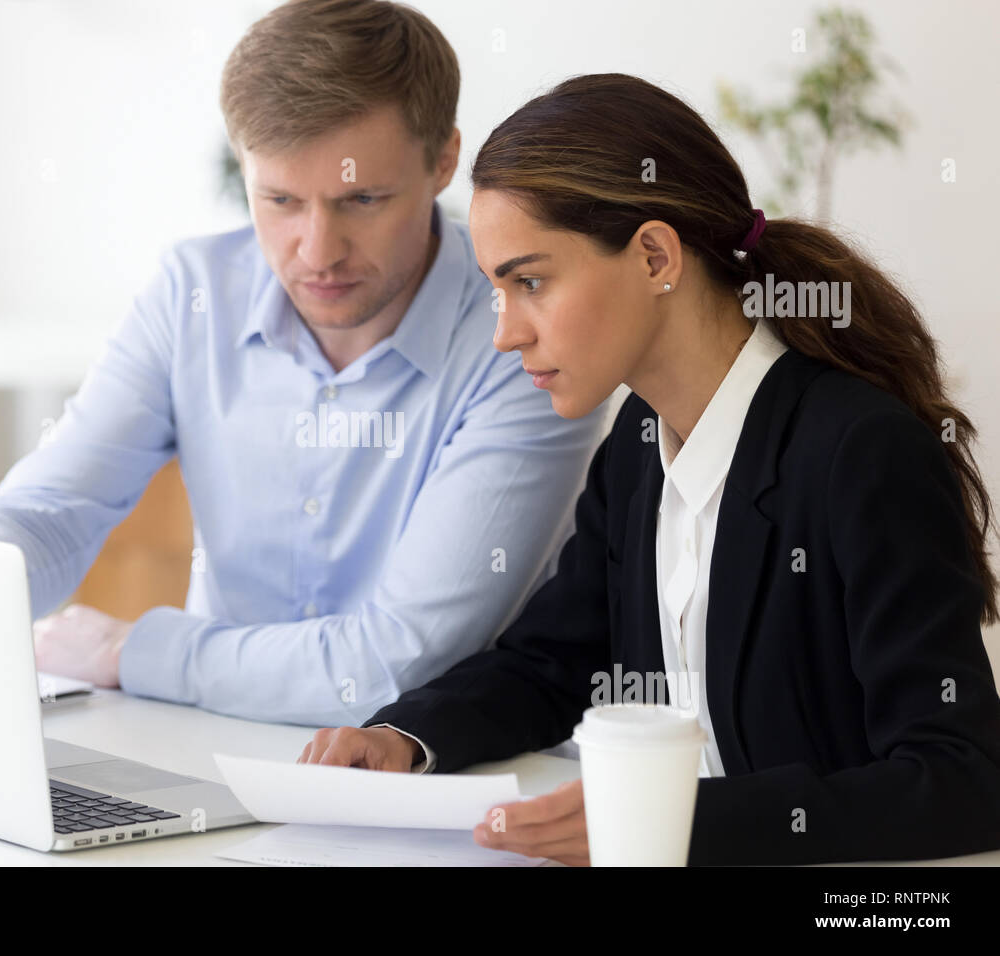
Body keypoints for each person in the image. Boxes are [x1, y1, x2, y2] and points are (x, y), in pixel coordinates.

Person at [298, 72, 1000, 866]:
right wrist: (403, 738)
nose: (506, 334)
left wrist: (665, 821)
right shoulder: (639, 441)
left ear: (656, 256)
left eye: (530, 281)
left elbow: (962, 780)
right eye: (498, 290)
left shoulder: (859, 453)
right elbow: (550, 662)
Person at [0, 1, 603, 727]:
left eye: (361, 200)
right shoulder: (191, 295)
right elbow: (50, 514)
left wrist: (134, 650)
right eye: (281, 199)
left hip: (431, 775)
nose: (318, 251)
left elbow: (396, 659)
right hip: (206, 741)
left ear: (444, 161)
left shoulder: (519, 339)